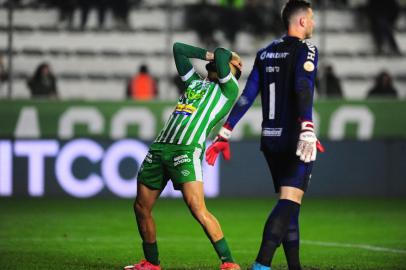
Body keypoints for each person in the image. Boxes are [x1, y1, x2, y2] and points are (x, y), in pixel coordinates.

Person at [206, 1, 324, 270]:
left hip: (270, 139)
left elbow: (247, 96)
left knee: (289, 202)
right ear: (302, 21)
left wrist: (225, 131)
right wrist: (307, 126)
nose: (313, 23)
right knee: (289, 202)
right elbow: (303, 87)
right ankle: (261, 264)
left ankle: (294, 266)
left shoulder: (266, 53)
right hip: (295, 137)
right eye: (312, 18)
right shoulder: (307, 49)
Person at [124, 42, 243, 270]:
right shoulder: (195, 83)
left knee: (197, 208)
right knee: (141, 207)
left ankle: (229, 263)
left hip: (186, 150)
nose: (214, 62)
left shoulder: (229, 89)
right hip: (160, 148)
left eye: (226, 62)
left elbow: (220, 54)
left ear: (232, 68)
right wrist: (210, 55)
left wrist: (226, 57)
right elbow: (178, 48)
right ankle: (151, 263)